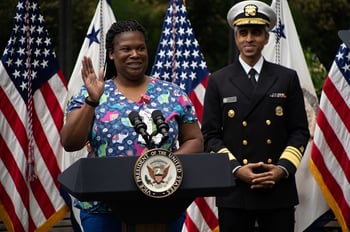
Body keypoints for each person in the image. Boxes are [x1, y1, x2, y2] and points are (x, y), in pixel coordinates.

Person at [60, 20, 203, 232]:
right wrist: (92, 101)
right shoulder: (91, 94)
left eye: (140, 48)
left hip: (163, 204)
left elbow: (194, 140)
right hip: (104, 207)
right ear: (111, 54)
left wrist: (165, 165)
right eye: (126, 49)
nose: (135, 54)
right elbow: (70, 142)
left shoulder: (173, 93)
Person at [201, 1, 310, 232]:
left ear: (266, 38)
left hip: (278, 187)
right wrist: (236, 169)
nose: (249, 38)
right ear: (236, 37)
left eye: (256, 32)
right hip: (235, 189)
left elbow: (299, 131)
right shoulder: (218, 80)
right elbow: (210, 135)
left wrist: (281, 169)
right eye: (243, 33)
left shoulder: (287, 78)